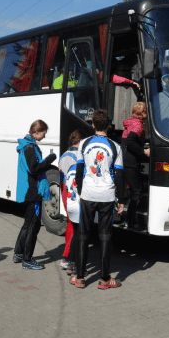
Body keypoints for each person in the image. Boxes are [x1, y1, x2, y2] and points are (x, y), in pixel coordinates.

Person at [72, 109, 124, 289]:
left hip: (88, 193)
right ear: (108, 126)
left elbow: (79, 170)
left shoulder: (84, 143)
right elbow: (119, 176)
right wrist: (121, 199)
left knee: (83, 234)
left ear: (93, 124)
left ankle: (80, 277)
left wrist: (81, 191)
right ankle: (104, 278)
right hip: (107, 195)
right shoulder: (116, 146)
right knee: (105, 235)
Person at [13, 119, 57, 270]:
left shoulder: (27, 145)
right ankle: (27, 259)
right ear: (36, 132)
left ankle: (19, 253)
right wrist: (49, 160)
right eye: (43, 133)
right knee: (33, 225)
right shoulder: (29, 147)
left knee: (28, 224)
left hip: (30, 190)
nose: (44, 136)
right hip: (33, 191)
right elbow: (34, 168)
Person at [121, 102, 150, 231]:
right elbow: (131, 142)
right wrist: (144, 151)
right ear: (143, 113)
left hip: (124, 160)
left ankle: (126, 218)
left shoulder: (130, 123)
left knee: (128, 190)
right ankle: (130, 221)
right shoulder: (137, 125)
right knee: (136, 191)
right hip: (131, 162)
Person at [58, 129, 82, 274]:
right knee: (74, 226)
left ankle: (68, 256)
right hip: (73, 192)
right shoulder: (78, 156)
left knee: (70, 223)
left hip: (65, 190)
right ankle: (67, 257)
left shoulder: (64, 155)